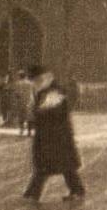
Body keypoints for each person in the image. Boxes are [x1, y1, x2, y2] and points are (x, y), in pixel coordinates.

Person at [22, 64, 85, 201]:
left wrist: (35, 113)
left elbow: (49, 112)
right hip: (51, 135)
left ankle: (34, 192)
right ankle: (75, 190)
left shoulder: (54, 91)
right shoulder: (45, 90)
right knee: (57, 165)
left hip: (56, 135)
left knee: (54, 165)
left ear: (42, 79)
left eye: (35, 81)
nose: (34, 84)